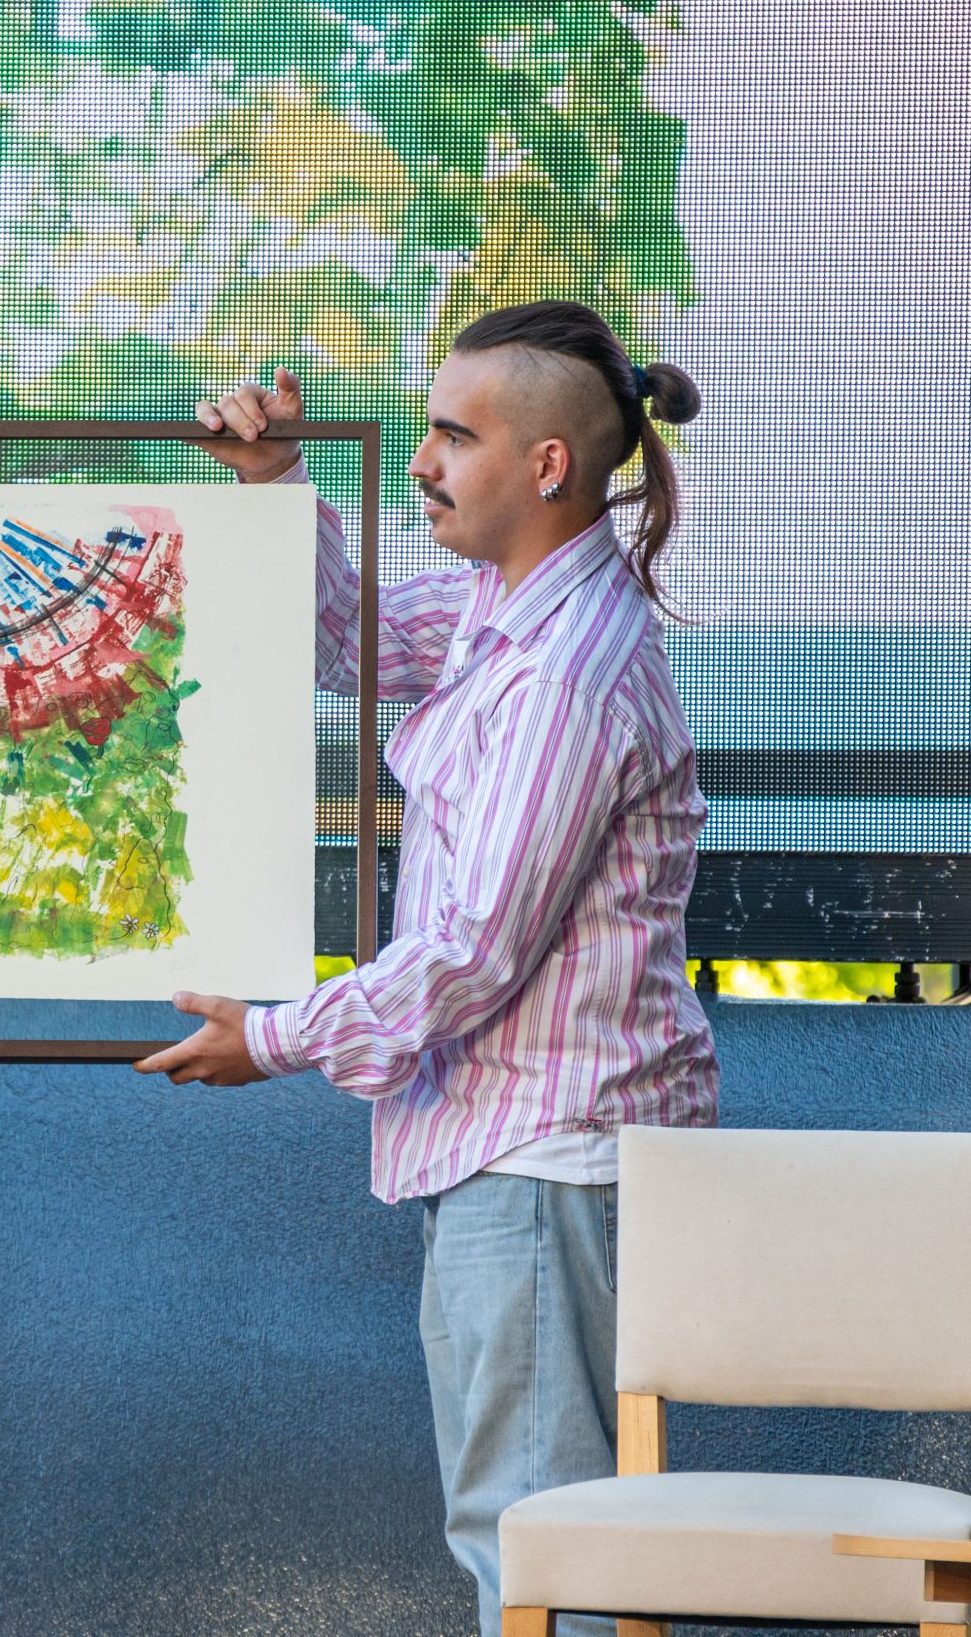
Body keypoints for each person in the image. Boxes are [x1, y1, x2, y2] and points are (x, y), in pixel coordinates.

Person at [136, 301, 719, 1637]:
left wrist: (273, 1035)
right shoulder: (497, 608)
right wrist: (277, 481)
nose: (419, 461)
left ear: (548, 465)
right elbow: (346, 642)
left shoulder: (563, 673)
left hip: (548, 1157)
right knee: (523, 1533)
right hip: (509, 1151)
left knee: (543, 1545)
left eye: (454, 435)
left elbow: (471, 948)